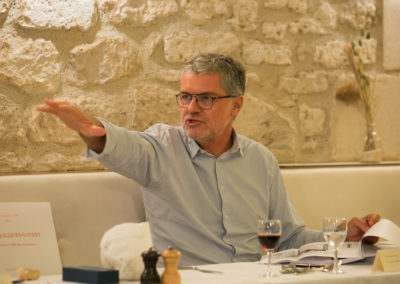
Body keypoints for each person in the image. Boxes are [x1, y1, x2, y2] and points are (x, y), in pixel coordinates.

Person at [36, 53, 380, 266]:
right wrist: (89, 129)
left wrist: (340, 235)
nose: (190, 108)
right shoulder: (160, 148)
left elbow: (288, 238)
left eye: (205, 98)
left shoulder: (261, 161)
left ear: (237, 105)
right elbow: (122, 146)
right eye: (185, 96)